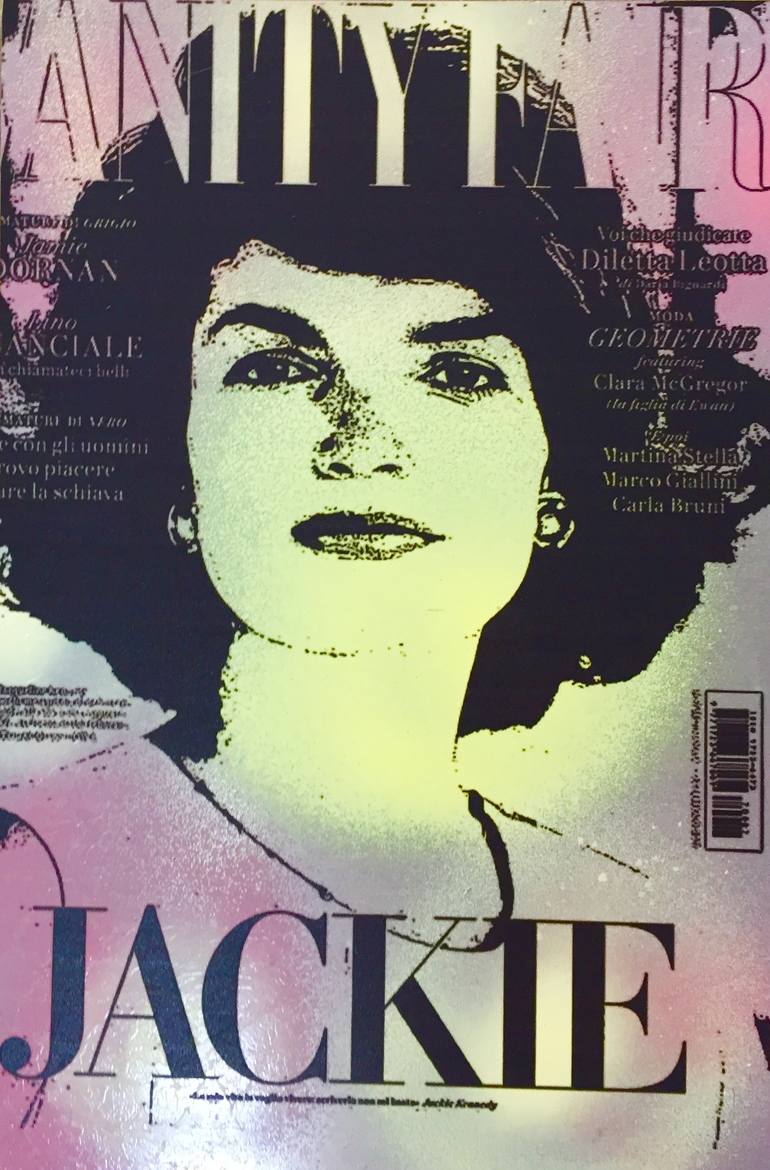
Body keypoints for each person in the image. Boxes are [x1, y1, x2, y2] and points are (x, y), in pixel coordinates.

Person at [1, 14, 769, 1169]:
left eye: (454, 371)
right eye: (275, 365)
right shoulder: (28, 867)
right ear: (172, 471)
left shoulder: (657, 972)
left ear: (557, 475)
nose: (360, 445)